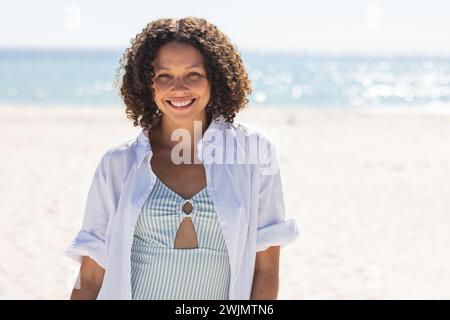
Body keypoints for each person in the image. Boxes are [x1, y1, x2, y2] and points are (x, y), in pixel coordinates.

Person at [66, 16, 299, 300]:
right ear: (147, 83)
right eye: (164, 76)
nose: (179, 88)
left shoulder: (253, 151)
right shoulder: (118, 164)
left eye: (193, 75)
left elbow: (267, 268)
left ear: (215, 79)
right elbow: (90, 275)